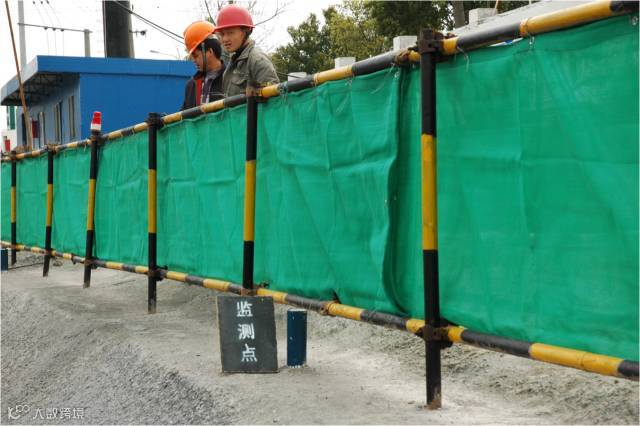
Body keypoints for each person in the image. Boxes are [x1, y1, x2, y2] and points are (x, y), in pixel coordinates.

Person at [214, 4, 279, 97]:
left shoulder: (257, 60)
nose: (225, 39)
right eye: (222, 34)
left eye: (230, 33)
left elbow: (275, 99)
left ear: (246, 31)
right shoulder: (233, 62)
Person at [181, 21, 226, 110]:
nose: (193, 61)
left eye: (195, 56)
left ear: (210, 51)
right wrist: (163, 118)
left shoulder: (231, 79)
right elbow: (183, 114)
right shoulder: (191, 85)